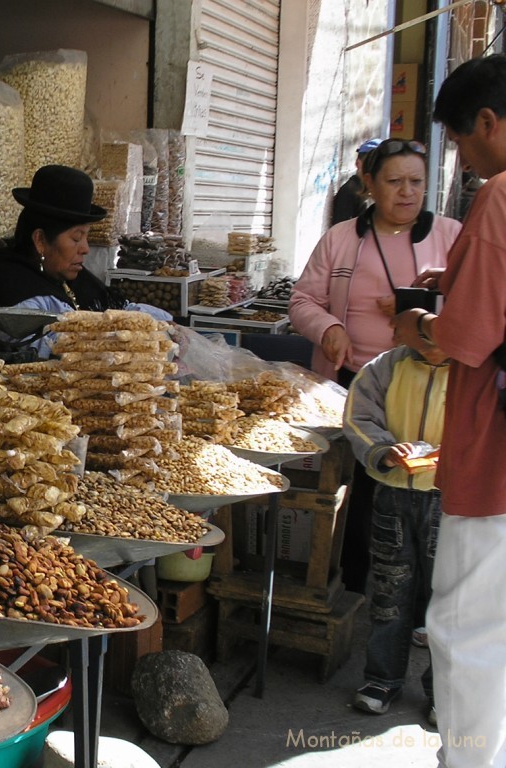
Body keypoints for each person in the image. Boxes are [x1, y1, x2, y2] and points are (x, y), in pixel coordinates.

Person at [390, 53, 506, 768]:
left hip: (494, 459)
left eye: (461, 142)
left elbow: (461, 341)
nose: (462, 160)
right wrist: (456, 280)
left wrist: (415, 328)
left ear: (490, 122)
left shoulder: (499, 198)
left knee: (465, 629)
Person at [289, 138, 461, 595]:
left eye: (416, 182)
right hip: (350, 382)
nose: (407, 192)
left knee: (422, 486)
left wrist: (421, 312)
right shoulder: (342, 238)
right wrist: (327, 327)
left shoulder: (450, 236)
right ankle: (357, 585)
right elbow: (303, 299)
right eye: (394, 181)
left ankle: (424, 595)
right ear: (369, 183)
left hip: (429, 387)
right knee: (359, 491)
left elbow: (475, 305)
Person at [0, 164, 170, 356]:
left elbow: (123, 310)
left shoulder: (70, 278)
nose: (85, 249)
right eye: (76, 238)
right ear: (41, 240)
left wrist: (164, 326)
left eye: (86, 237)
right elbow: (46, 347)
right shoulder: (3, 280)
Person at [343, 343, 447, 723]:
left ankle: (445, 691)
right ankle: (382, 679)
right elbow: (357, 415)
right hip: (392, 494)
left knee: (447, 597)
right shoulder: (387, 365)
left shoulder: (475, 369)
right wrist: (383, 450)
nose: (432, 348)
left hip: (448, 497)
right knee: (389, 589)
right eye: (424, 337)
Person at [331, 137, 382, 226]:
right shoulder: (350, 191)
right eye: (369, 162)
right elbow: (341, 232)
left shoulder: (376, 190)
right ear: (358, 163)